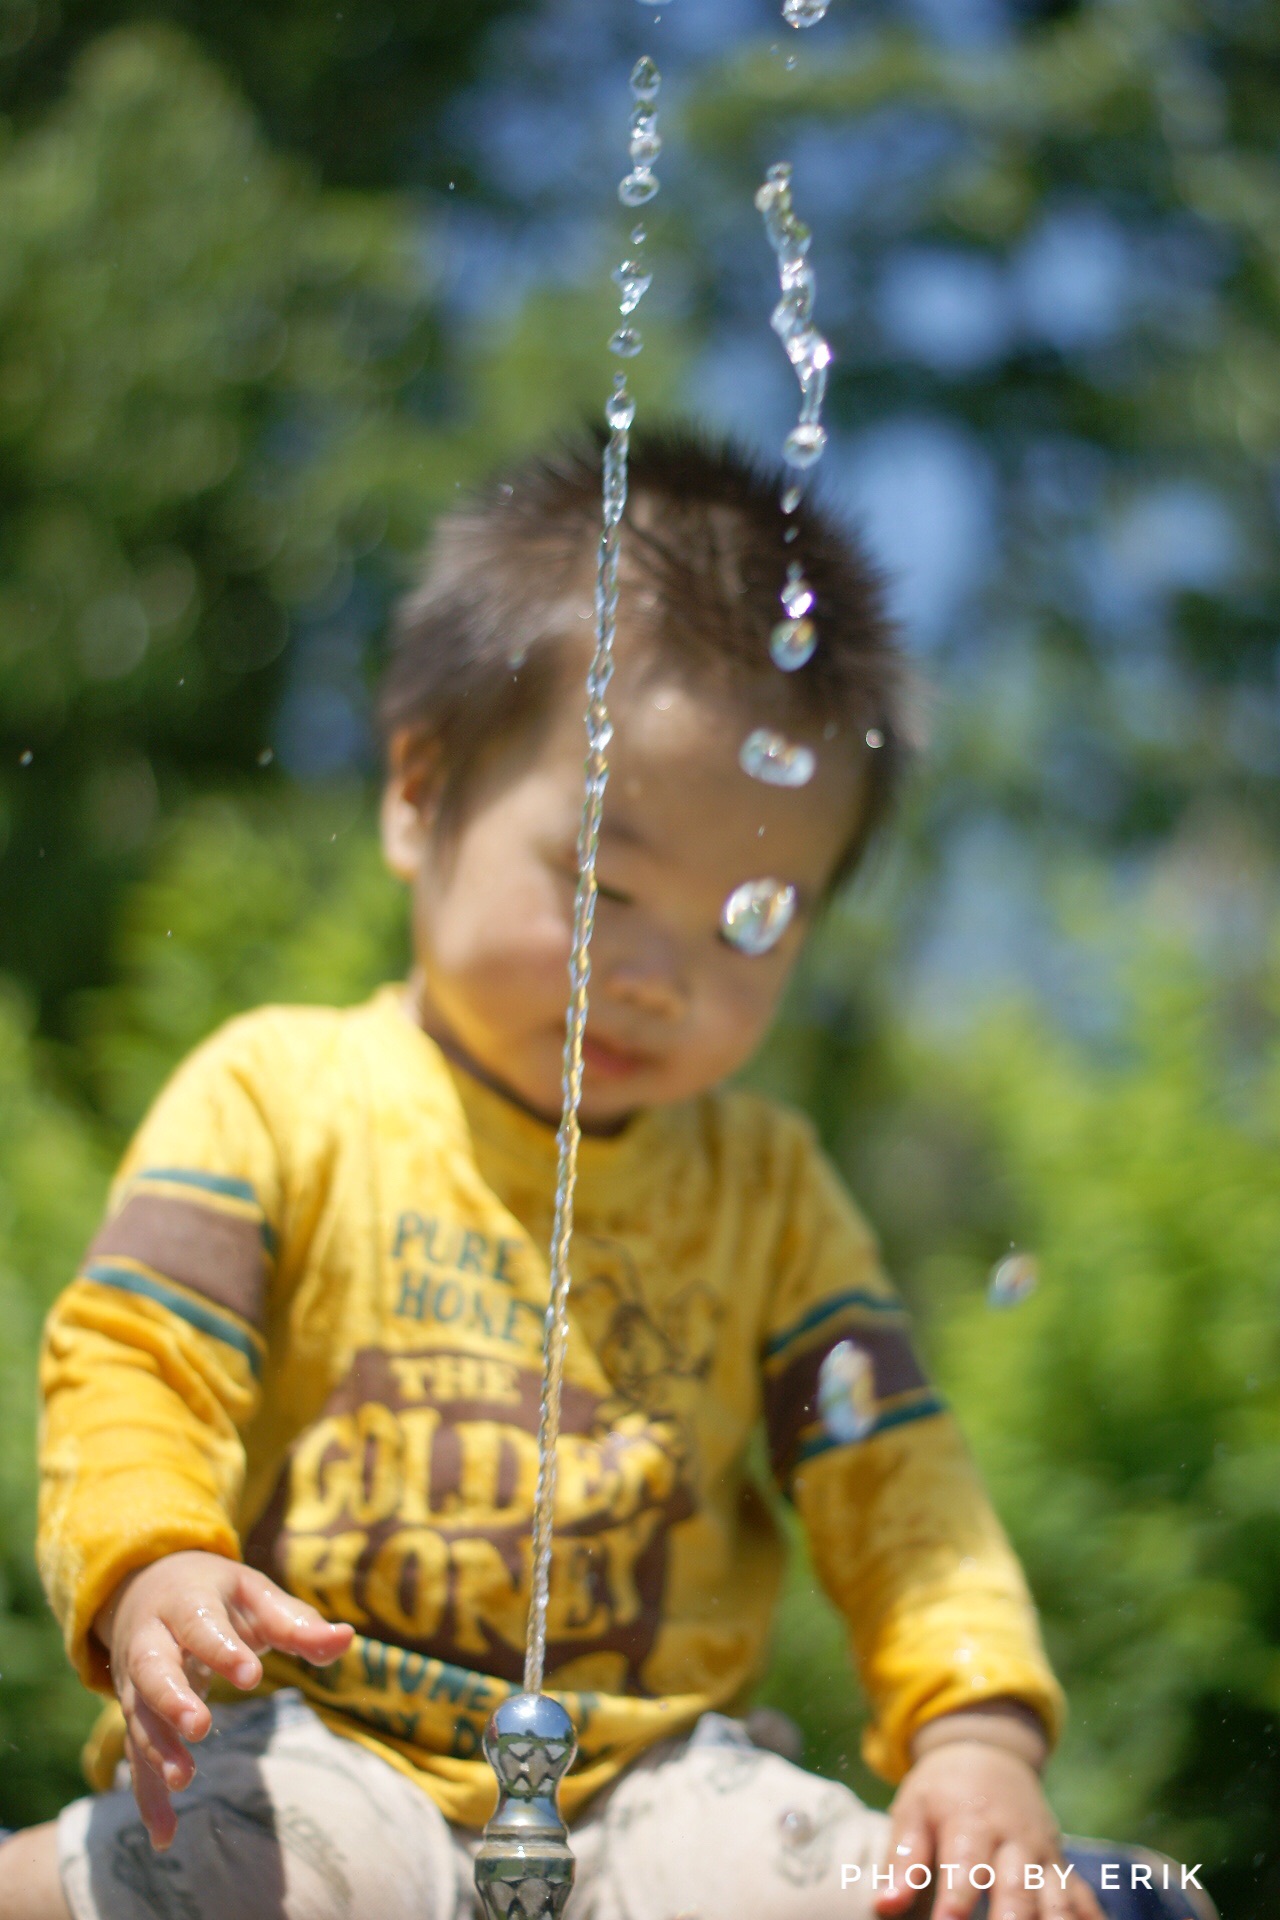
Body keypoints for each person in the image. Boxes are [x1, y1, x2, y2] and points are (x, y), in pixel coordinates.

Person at [0, 432, 1214, 1920]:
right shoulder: (280, 1094)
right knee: (285, 1878)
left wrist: (977, 1733)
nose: (654, 976)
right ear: (419, 794)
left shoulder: (768, 1192)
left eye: (749, 921)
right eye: (604, 886)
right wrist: (152, 1564)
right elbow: (137, 1357)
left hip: (655, 1792)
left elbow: (900, 1478)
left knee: (932, 1896)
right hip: (314, 1745)